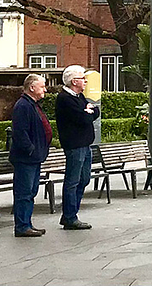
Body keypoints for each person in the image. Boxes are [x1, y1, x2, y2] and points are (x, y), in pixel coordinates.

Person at [56, 65, 100, 230]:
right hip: (74, 145)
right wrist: (87, 113)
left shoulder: (79, 97)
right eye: (83, 78)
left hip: (85, 144)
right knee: (73, 181)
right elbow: (82, 118)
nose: (86, 81)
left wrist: (90, 111)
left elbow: (95, 112)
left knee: (84, 179)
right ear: (74, 81)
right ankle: (69, 216)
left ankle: (71, 213)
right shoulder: (65, 99)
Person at [9, 74, 53, 237]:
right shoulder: (23, 106)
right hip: (26, 158)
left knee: (31, 191)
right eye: (42, 86)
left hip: (34, 157)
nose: (45, 90)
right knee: (24, 192)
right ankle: (22, 226)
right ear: (32, 87)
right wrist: (31, 149)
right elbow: (20, 132)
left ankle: (27, 223)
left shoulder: (32, 105)